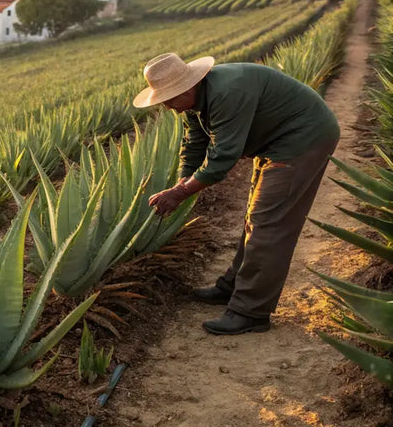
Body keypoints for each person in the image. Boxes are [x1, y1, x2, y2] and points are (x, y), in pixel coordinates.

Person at [133, 52, 339, 335]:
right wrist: (183, 182)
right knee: (255, 217)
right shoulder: (196, 101)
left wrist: (180, 194)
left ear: (187, 87)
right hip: (275, 142)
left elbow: (221, 159)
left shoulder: (228, 92)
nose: (169, 107)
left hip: (302, 140)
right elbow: (194, 143)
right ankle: (231, 288)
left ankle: (251, 312)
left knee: (269, 225)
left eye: (169, 99)